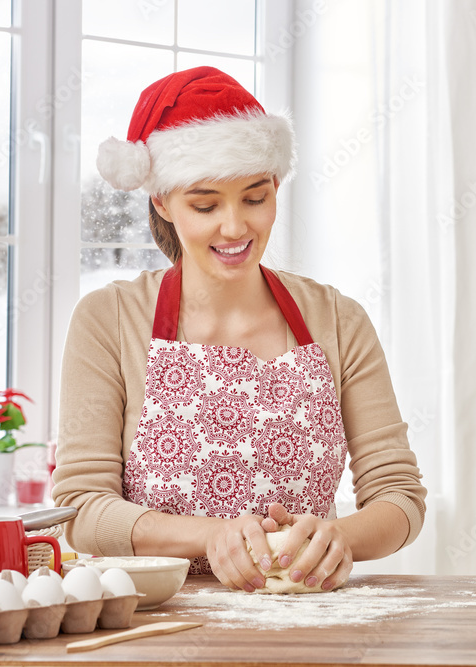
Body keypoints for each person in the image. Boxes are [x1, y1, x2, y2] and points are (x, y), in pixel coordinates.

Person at [53, 66, 426, 593]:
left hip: (308, 617)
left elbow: (398, 496)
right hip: (160, 620)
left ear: (275, 187)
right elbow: (81, 509)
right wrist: (212, 537)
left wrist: (339, 538)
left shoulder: (338, 320)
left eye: (255, 198)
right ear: (161, 200)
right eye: (205, 205)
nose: (235, 227)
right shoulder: (109, 320)